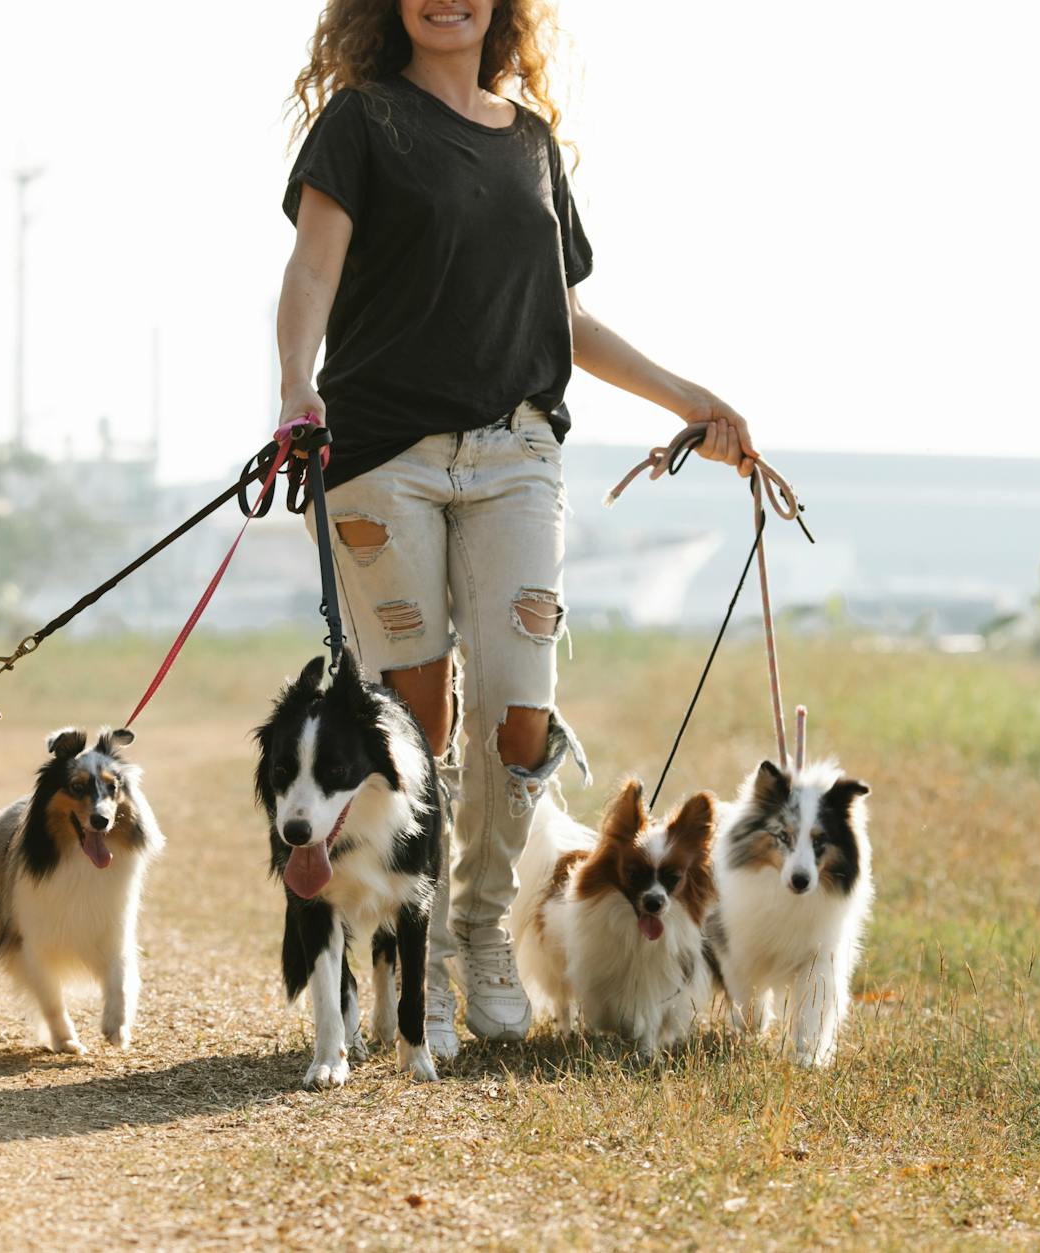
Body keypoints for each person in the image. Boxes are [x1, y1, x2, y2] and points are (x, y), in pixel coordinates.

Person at [275, 0, 758, 1055]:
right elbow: (314, 267)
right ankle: (421, 945)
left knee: (519, 707)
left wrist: (687, 399)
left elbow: (566, 318)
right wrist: (293, 389)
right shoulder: (362, 123)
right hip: (380, 458)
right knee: (413, 710)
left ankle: (481, 925)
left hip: (516, 455)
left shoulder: (530, 142)